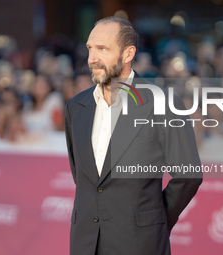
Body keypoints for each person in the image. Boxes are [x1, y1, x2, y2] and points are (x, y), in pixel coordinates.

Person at [64, 16, 202, 255]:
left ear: (128, 54)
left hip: (140, 243)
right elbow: (83, 175)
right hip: (85, 243)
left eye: (102, 49)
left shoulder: (163, 104)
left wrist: (154, 221)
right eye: (90, 48)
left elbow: (188, 176)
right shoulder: (76, 107)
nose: (92, 58)